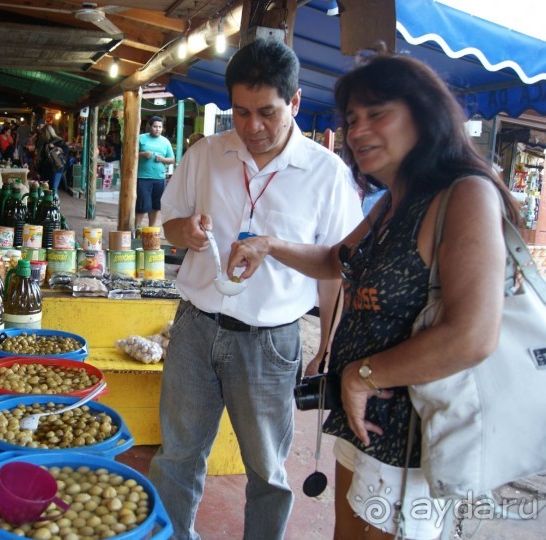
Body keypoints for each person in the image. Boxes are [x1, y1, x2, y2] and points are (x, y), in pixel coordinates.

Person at [227, 52, 518, 539]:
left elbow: (472, 334)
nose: (358, 131)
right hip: (364, 422)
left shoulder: (465, 195)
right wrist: (270, 245)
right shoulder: (396, 200)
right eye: (353, 119)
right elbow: (336, 261)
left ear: (423, 113)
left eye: (377, 114)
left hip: (412, 436)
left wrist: (362, 378)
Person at [149, 39, 363, 540]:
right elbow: (169, 224)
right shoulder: (206, 153)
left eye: (267, 112)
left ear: (294, 102)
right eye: (240, 113)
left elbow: (337, 270)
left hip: (271, 342)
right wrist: (188, 233)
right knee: (177, 455)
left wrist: (328, 349)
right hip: (195, 330)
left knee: (267, 471)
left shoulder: (326, 174)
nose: (252, 127)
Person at [136, 116, 175, 228]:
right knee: (142, 207)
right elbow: (129, 155)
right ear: (149, 127)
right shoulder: (141, 138)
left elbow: (172, 160)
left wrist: (162, 159)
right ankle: (136, 231)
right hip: (142, 178)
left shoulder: (165, 141)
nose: (157, 129)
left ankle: (151, 231)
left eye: (160, 127)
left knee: (156, 207)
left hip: (159, 179)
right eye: (155, 126)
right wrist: (142, 154)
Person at [36, 124, 69, 192]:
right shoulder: (47, 142)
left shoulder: (58, 141)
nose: (42, 135)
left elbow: (65, 151)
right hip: (53, 168)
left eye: (43, 133)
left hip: (56, 167)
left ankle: (54, 201)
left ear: (47, 133)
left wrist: (56, 148)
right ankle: (53, 201)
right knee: (51, 189)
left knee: (52, 189)